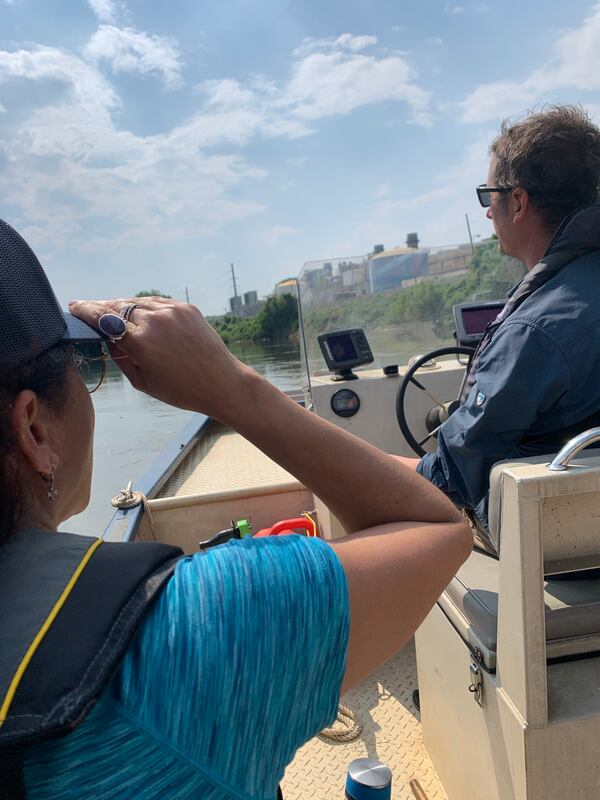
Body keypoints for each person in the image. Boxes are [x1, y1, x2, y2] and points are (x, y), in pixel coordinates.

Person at [0, 217, 471, 800]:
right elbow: (439, 526)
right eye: (85, 367)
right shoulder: (190, 636)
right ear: (34, 430)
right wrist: (230, 385)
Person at [399, 105, 600, 553]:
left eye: (489, 194)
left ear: (519, 201)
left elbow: (448, 485)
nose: (488, 212)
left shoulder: (534, 332)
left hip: (564, 555)